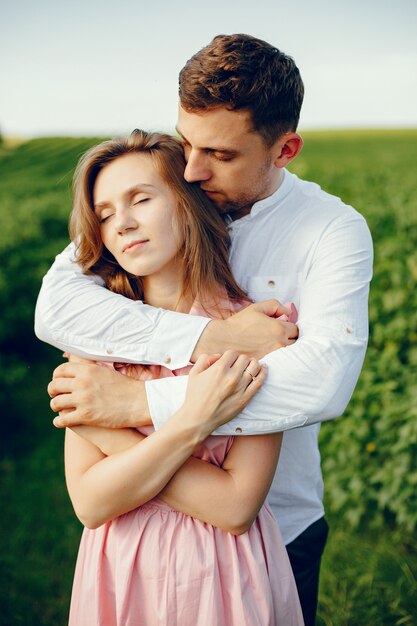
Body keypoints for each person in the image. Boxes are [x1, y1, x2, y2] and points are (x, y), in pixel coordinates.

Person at [36, 34, 373, 625]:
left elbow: (320, 384)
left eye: (218, 154)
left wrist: (133, 406)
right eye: (186, 143)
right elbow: (57, 307)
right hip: (130, 547)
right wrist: (209, 340)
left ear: (284, 149)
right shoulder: (168, 196)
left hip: (272, 526)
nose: (192, 169)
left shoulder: (331, 231)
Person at [63, 129, 304, 625]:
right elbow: (89, 503)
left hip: (224, 575)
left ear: (188, 202)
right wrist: (193, 421)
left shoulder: (256, 332)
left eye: (140, 200)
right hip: (122, 570)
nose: (122, 224)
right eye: (104, 214)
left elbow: (237, 506)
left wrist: (118, 441)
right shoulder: (92, 338)